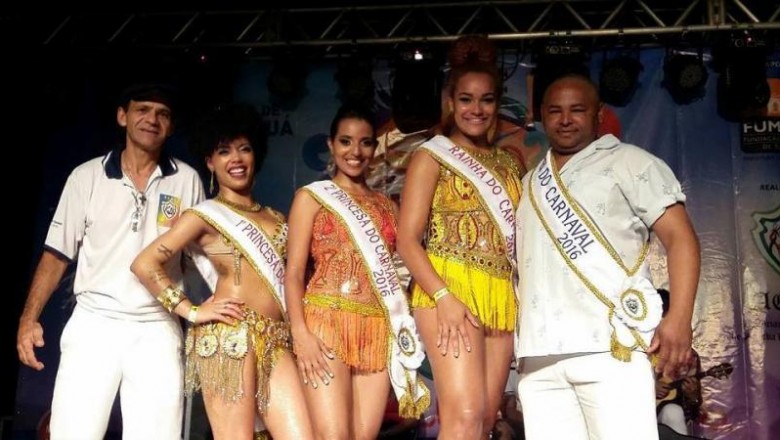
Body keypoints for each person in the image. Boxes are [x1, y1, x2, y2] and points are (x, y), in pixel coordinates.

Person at [514, 74, 701, 440]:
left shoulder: (631, 162)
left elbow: (681, 239)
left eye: (577, 110)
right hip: (538, 357)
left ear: (598, 114)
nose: (565, 119)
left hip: (610, 348)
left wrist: (679, 317)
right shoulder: (530, 182)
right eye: (555, 111)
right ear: (541, 117)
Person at [16, 83, 204, 439]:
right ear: (122, 116)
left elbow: (199, 259)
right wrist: (28, 319)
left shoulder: (187, 180)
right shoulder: (86, 176)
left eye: (162, 114)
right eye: (142, 109)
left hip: (157, 327)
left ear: (172, 126)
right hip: (95, 323)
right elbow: (57, 254)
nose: (152, 119)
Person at [131, 103, 313, 440]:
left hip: (276, 340)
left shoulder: (277, 219)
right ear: (210, 162)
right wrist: (191, 310)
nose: (237, 159)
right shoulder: (203, 216)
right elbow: (144, 264)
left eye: (244, 149)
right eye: (224, 151)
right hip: (228, 336)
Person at [397, 35, 525, 439]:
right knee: (464, 416)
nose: (476, 109)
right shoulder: (431, 155)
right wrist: (442, 296)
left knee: (486, 418)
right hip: (448, 289)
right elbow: (406, 239)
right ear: (451, 102)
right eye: (466, 99)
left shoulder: (508, 163)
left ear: (497, 104)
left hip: (500, 296)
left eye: (486, 100)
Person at [285, 105, 428, 440]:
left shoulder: (389, 207)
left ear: (375, 148)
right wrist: (300, 333)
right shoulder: (311, 198)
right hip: (325, 325)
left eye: (365, 143)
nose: (355, 151)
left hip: (376, 330)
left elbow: (400, 272)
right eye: (346, 142)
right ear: (332, 145)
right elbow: (292, 273)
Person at [654, 289, 703, 436]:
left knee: (673, 411)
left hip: (665, 416)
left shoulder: (687, 356)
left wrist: (692, 395)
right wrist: (649, 389)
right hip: (631, 413)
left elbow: (694, 409)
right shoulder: (629, 349)